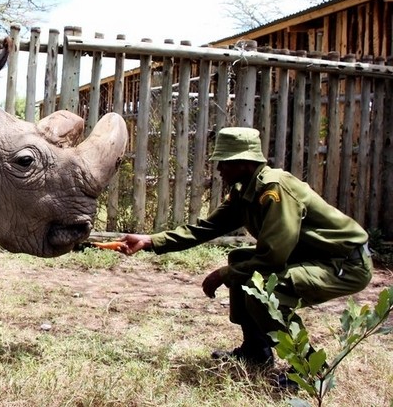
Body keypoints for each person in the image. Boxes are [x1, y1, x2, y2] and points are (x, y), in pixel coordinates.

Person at [117, 127, 372, 380]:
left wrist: (224, 274)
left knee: (262, 291)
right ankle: (256, 351)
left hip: (344, 264)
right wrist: (150, 241)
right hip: (312, 256)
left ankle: (309, 368)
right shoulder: (245, 191)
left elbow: (272, 256)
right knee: (240, 259)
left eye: (224, 163)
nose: (219, 170)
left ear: (244, 163)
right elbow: (206, 228)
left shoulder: (275, 189)